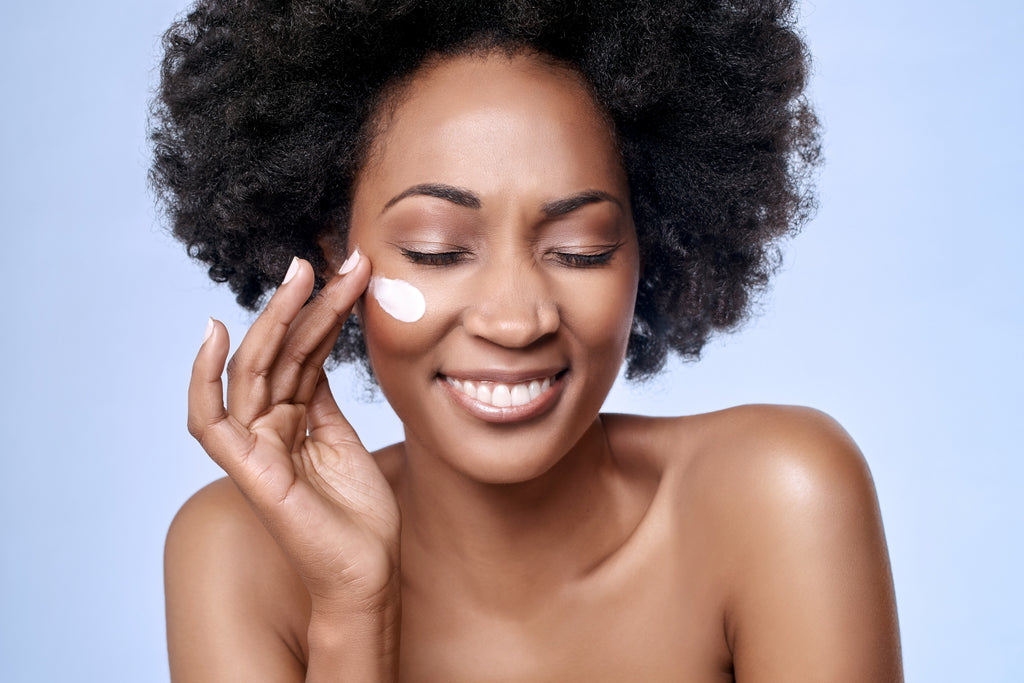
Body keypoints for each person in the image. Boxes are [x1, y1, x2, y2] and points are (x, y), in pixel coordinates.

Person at [151, 1, 903, 680]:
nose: (516, 321)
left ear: (655, 245)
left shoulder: (776, 500)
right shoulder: (240, 556)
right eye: (439, 250)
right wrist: (353, 608)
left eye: (580, 248)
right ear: (331, 259)